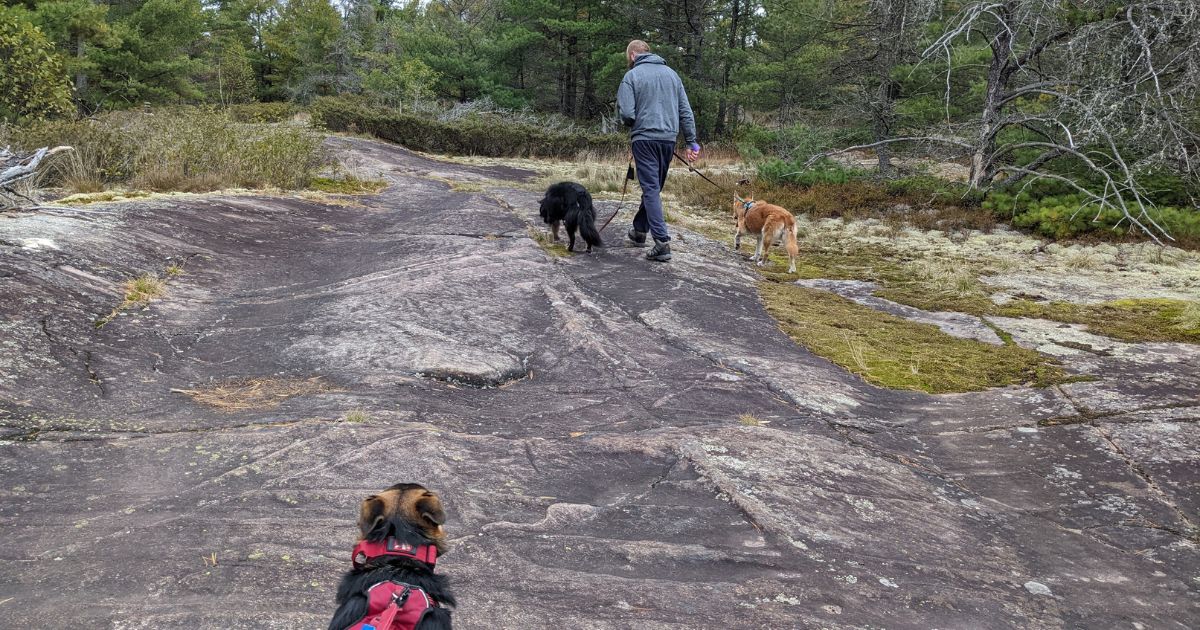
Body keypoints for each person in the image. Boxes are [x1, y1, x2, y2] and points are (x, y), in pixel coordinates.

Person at [616, 40, 700, 263]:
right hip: (667, 141)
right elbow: (685, 111)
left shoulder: (631, 77)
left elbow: (626, 113)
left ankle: (662, 242)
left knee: (651, 188)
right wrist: (692, 142)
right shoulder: (672, 75)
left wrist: (632, 123)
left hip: (644, 139)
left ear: (633, 55)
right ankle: (639, 231)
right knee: (654, 187)